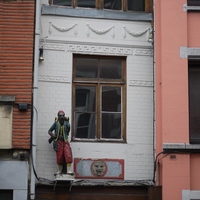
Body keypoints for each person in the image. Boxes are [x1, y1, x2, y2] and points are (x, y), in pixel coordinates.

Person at [48, 110, 73, 175]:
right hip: (58, 141)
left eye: (63, 115)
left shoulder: (66, 123)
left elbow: (68, 129)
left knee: (68, 154)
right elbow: (49, 131)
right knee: (59, 156)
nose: (62, 117)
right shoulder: (56, 123)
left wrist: (67, 122)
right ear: (58, 116)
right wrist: (52, 135)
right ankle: (59, 170)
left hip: (65, 141)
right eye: (60, 116)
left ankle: (69, 170)